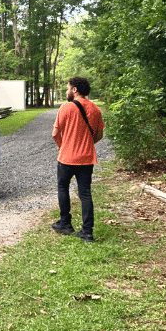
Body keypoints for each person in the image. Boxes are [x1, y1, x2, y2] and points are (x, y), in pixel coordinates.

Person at [51, 77, 105, 242]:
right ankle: (87, 232)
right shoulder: (95, 109)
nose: (66, 91)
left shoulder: (66, 107)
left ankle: (65, 223)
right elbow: (99, 135)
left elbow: (55, 134)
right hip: (87, 159)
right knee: (85, 193)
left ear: (74, 90)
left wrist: (63, 146)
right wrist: (87, 145)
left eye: (68, 88)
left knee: (63, 188)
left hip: (66, 157)